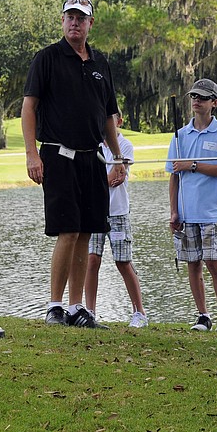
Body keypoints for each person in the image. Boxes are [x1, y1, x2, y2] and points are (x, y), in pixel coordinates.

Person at [22, 0, 121, 329]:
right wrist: (31, 154)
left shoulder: (100, 63)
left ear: (91, 23)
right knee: (67, 230)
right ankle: (54, 306)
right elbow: (29, 108)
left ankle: (77, 308)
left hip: (92, 158)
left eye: (81, 18)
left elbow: (108, 116)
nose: (75, 22)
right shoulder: (47, 59)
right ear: (62, 21)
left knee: (86, 232)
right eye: (70, 17)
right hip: (57, 154)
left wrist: (117, 157)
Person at [167, 78, 217, 333]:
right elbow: (173, 176)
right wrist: (174, 210)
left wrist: (192, 164)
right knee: (192, 264)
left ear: (214, 103)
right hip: (186, 212)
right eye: (194, 96)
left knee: (213, 262)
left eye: (203, 97)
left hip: (211, 211)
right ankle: (203, 315)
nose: (196, 100)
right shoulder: (180, 135)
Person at [85, 112, 148, 328]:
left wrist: (94, 181)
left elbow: (113, 179)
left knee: (123, 262)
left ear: (119, 122)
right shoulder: (91, 143)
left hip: (118, 212)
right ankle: (89, 312)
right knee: (92, 260)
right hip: (94, 211)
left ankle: (139, 312)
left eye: (109, 119)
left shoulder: (124, 146)